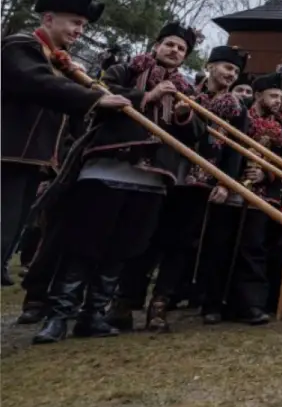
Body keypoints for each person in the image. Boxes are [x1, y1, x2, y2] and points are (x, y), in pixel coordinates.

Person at [34, 22, 201, 344]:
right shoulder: (124, 71)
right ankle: (57, 316)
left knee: (123, 249)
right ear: (156, 45)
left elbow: (195, 137)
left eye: (181, 49)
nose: (175, 51)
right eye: (169, 44)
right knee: (83, 244)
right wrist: (147, 95)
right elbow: (96, 97)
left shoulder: (186, 89)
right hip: (106, 171)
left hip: (152, 180)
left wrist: (184, 115)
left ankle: (93, 315)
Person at [112, 44, 249, 332]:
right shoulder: (182, 90)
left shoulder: (236, 108)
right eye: (227, 67)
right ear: (210, 66)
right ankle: (125, 301)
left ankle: (160, 304)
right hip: (166, 173)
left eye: (235, 71)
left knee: (180, 244)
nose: (231, 75)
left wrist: (225, 182)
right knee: (145, 238)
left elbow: (236, 152)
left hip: (201, 181)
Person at [1, 0, 123, 305]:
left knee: (9, 238)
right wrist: (94, 98)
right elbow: (38, 83)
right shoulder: (21, 47)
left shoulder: (58, 61)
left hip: (31, 162)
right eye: (75, 22)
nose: (79, 31)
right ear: (48, 18)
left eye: (83, 26)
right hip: (7, 156)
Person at [197, 71, 282, 326]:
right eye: (273, 96)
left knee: (252, 249)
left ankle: (250, 304)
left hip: (258, 196)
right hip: (229, 189)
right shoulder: (239, 118)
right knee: (220, 247)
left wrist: (265, 173)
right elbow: (221, 149)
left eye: (280, 97)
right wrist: (231, 176)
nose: (277, 101)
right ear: (258, 95)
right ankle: (213, 304)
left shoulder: (280, 130)